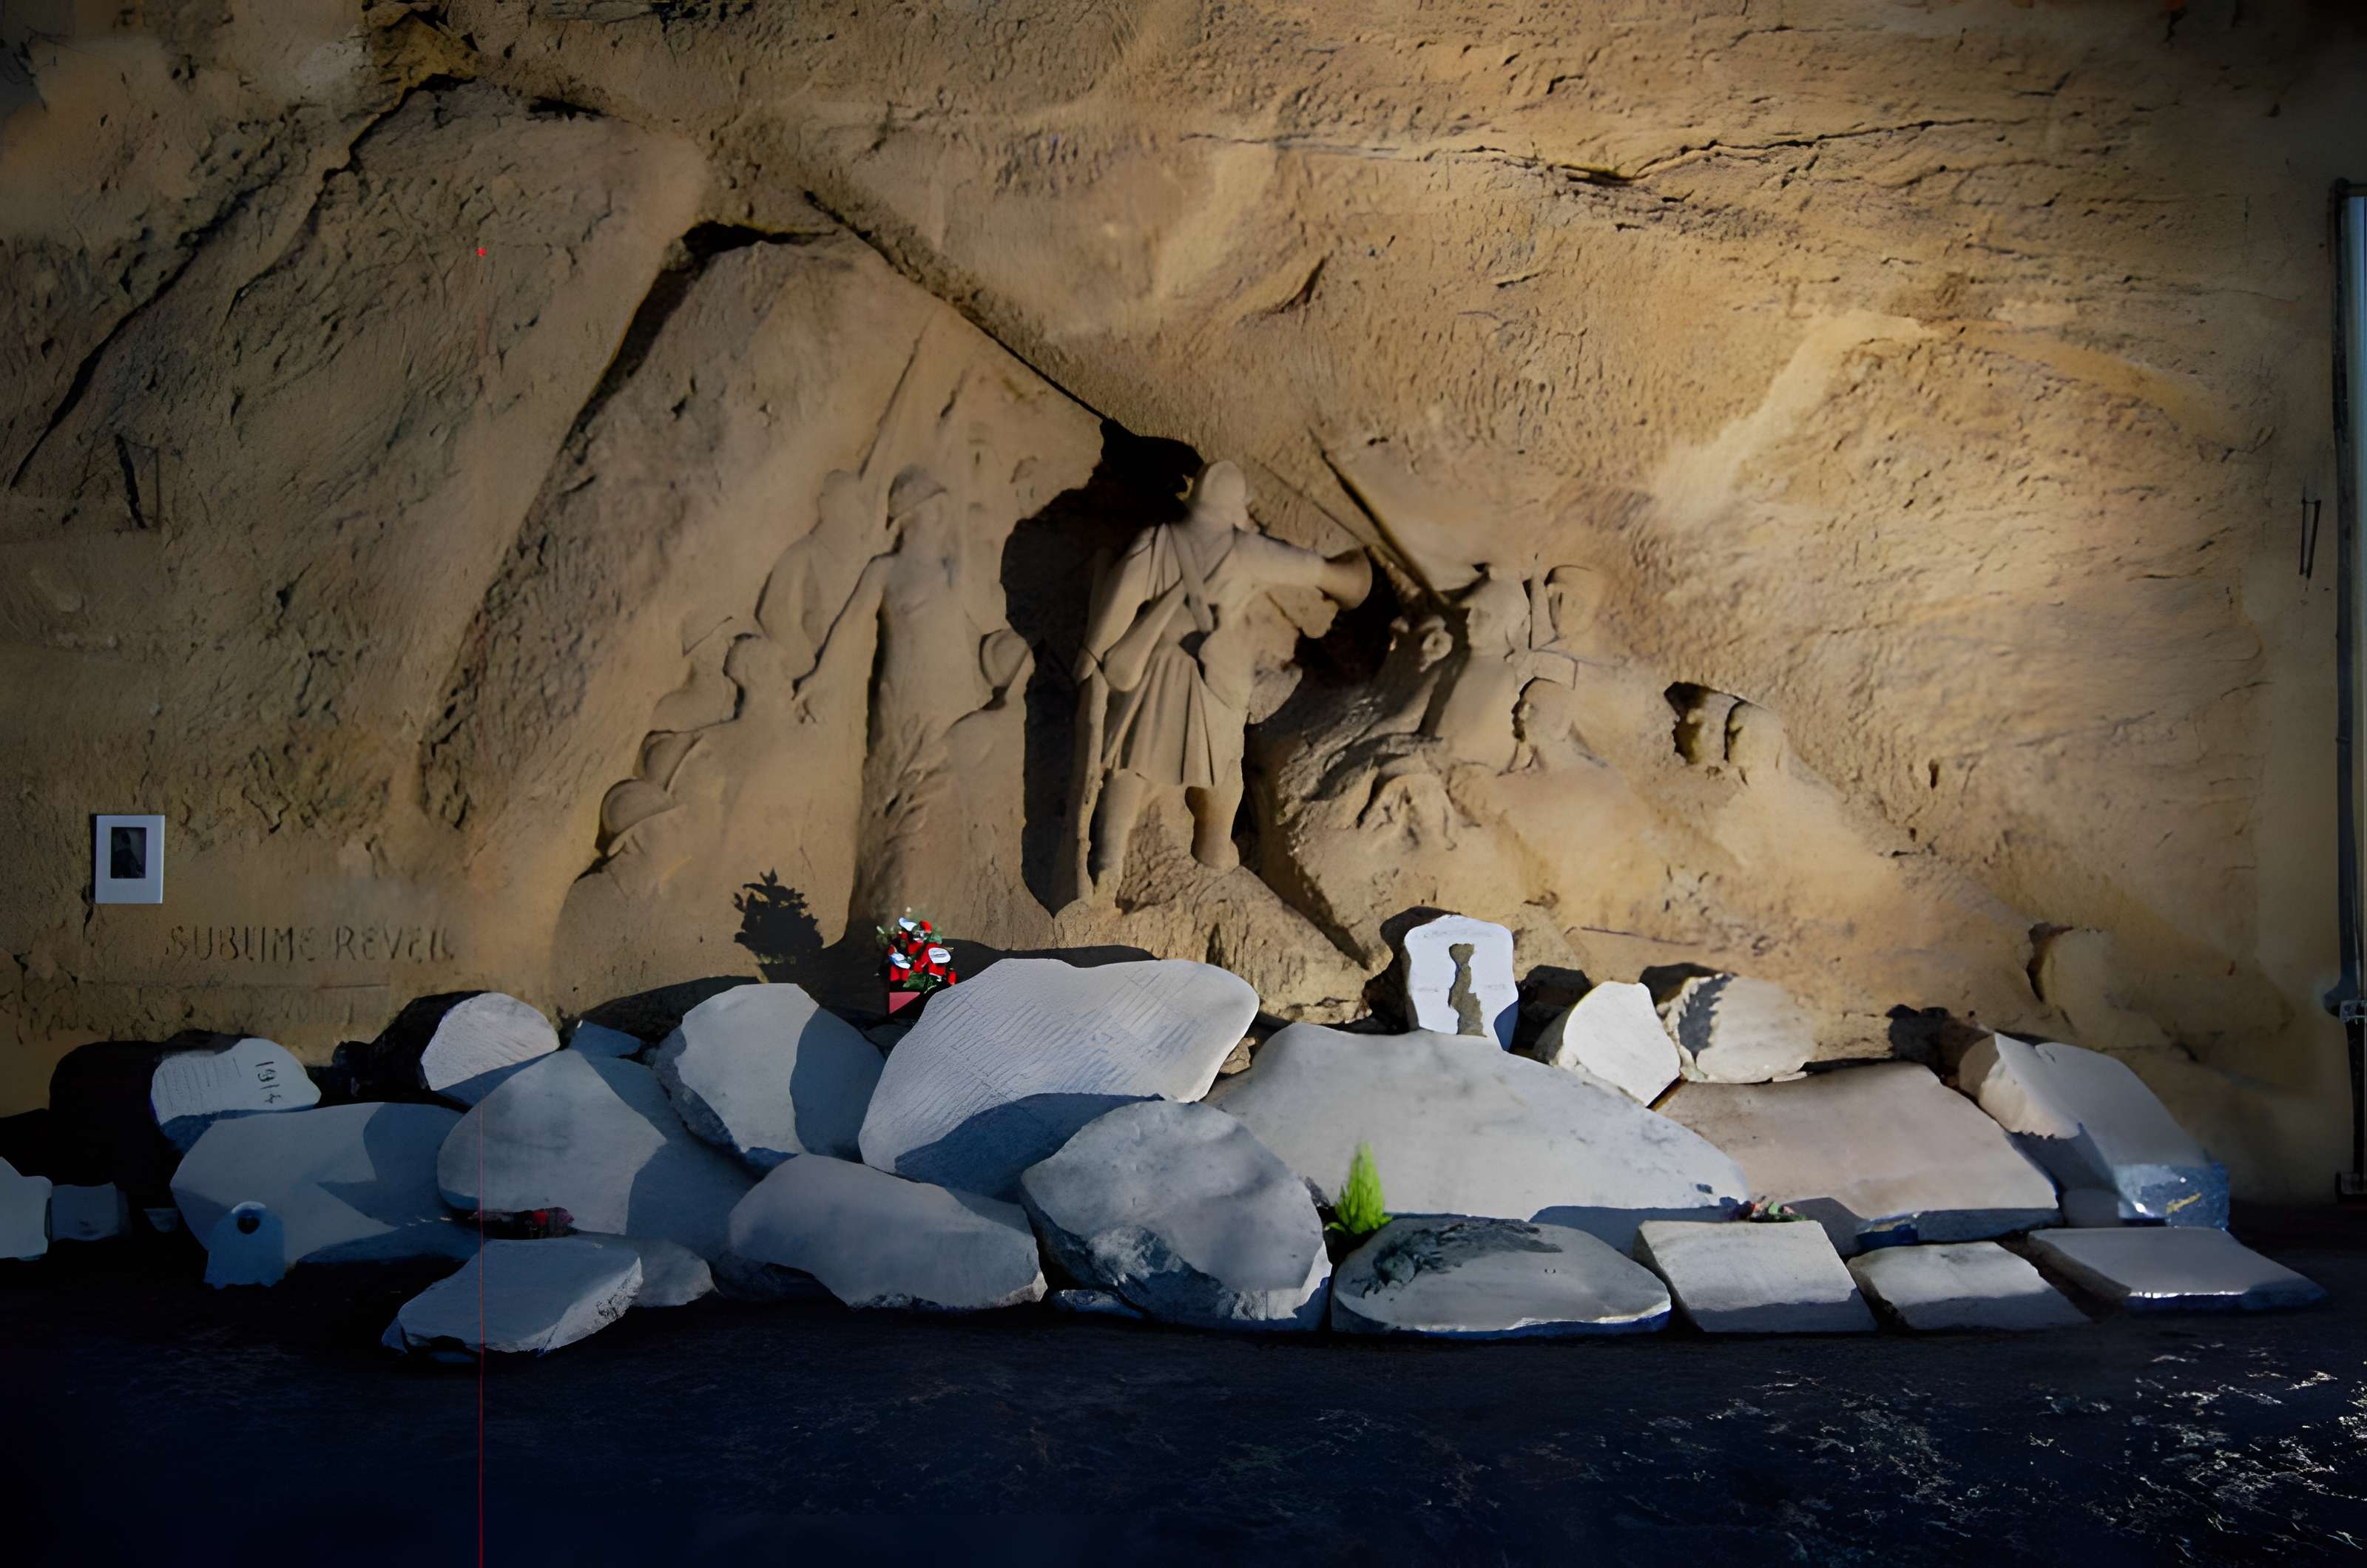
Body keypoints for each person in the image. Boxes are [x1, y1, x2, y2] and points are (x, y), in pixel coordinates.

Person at [1070, 460, 1371, 891]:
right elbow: (1313, 570)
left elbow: (1117, 603)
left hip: (1155, 671)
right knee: (1222, 767)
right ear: (1233, 506)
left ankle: (1108, 860)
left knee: (1130, 766)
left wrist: (1092, 656)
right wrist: (1346, 577)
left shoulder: (1157, 540)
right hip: (1213, 675)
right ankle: (1212, 848)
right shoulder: (1244, 549)